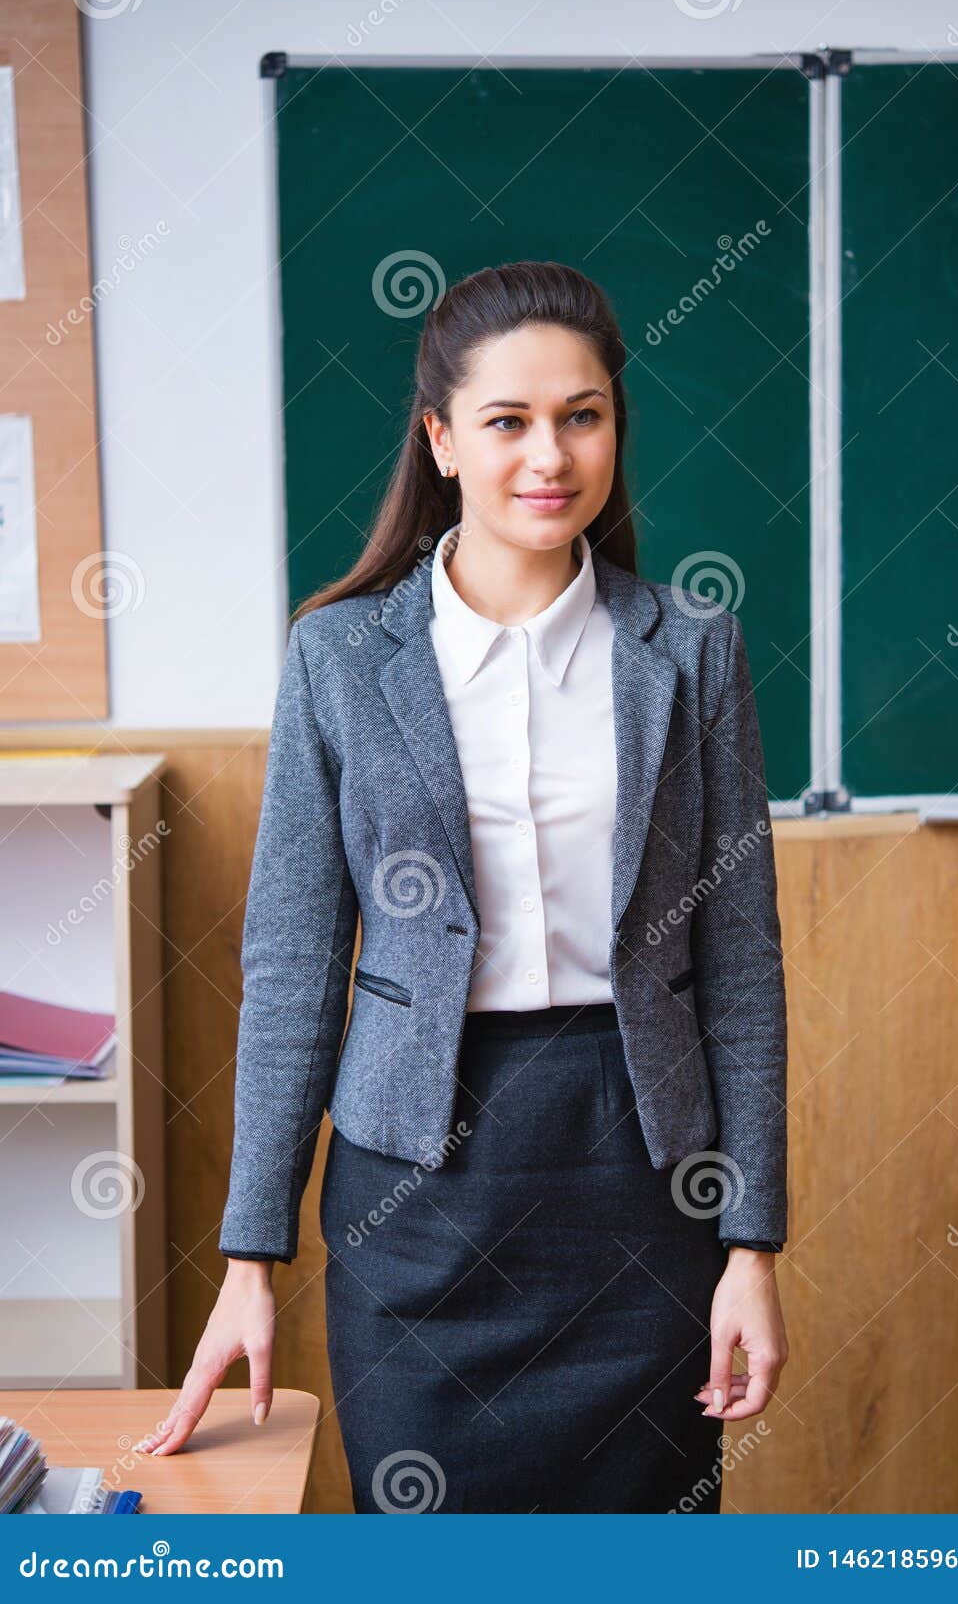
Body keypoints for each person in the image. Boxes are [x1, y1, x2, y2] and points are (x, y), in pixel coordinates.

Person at [136, 260, 790, 1513]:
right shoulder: (339, 656)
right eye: (507, 421)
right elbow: (293, 964)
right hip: (418, 1197)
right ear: (441, 439)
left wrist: (752, 1242)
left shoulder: (692, 649)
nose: (550, 454)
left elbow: (741, 967)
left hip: (642, 1186)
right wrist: (249, 1254)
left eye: (582, 415)